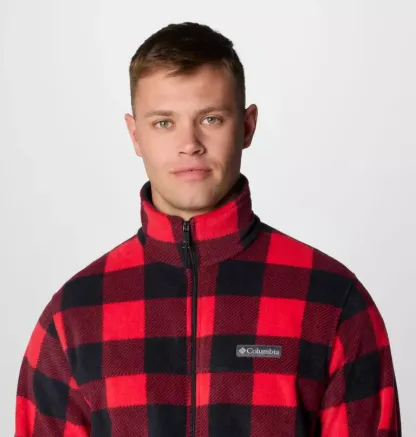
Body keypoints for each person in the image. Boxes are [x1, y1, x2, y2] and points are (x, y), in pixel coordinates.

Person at [15, 22, 401, 437]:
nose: (190, 143)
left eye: (211, 118)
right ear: (135, 135)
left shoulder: (332, 302)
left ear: (247, 126)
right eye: (164, 123)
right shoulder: (73, 316)